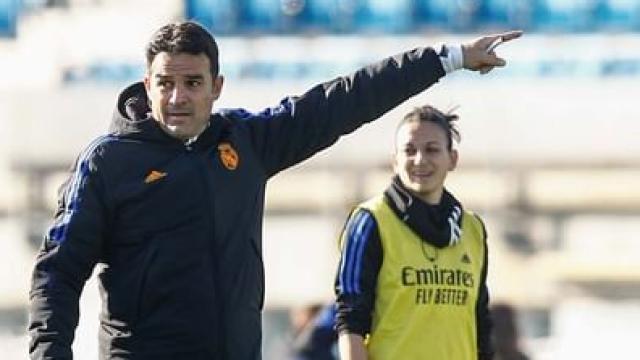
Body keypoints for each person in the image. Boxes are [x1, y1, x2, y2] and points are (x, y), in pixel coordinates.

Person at [28, 20, 521, 359]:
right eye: (166, 83)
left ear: (216, 86)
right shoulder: (110, 161)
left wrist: (447, 58)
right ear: (147, 84)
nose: (178, 97)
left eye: (192, 83)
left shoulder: (247, 143)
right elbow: (57, 273)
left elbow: (343, 101)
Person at [334, 105, 493, 359]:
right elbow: (350, 320)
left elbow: (481, 323)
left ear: (452, 159)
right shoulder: (370, 221)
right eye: (409, 150)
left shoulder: (473, 229)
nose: (420, 160)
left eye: (432, 149)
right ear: (395, 161)